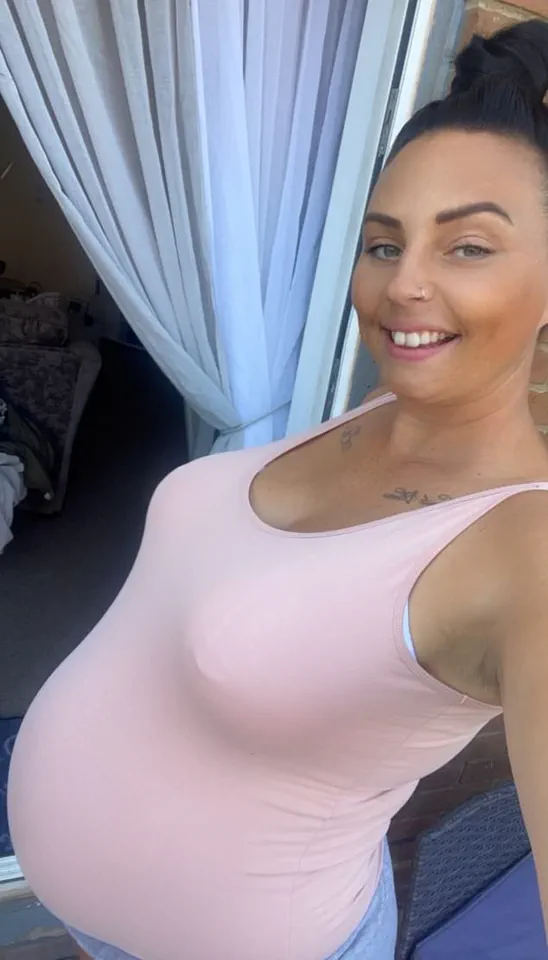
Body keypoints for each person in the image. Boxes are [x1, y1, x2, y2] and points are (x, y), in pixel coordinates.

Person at [8, 17, 548, 960]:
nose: (403, 285)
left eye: (468, 247)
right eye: (384, 244)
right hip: (106, 922)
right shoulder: (384, 406)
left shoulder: (526, 551)